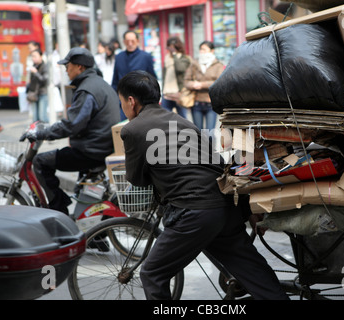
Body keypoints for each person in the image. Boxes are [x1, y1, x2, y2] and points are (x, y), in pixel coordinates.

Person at [117, 70, 289, 300]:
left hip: (193, 211)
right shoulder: (183, 122)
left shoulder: (133, 129)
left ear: (131, 101)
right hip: (225, 205)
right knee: (250, 269)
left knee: (151, 274)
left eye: (122, 103)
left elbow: (137, 179)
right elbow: (215, 163)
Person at [21, 47, 120, 214]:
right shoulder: (100, 84)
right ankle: (94, 233)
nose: (66, 69)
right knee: (83, 195)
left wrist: (42, 133)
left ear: (80, 67)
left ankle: (59, 210)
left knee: (40, 162)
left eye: (68, 65)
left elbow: (72, 125)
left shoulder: (87, 90)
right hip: (100, 146)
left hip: (91, 151)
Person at [111, 30, 157, 120]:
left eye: (133, 41)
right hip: (123, 102)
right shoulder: (119, 57)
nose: (130, 43)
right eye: (127, 41)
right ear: (124, 42)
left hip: (142, 101)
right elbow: (115, 80)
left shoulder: (146, 56)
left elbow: (153, 79)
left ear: (137, 41)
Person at [184, 41, 223, 131]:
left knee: (210, 133)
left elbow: (219, 82)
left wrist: (202, 85)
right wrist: (192, 84)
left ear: (212, 51)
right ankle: (201, 146)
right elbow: (186, 81)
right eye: (200, 49)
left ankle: (210, 145)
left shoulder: (218, 65)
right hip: (196, 103)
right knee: (198, 132)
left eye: (204, 49)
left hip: (211, 103)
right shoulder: (194, 64)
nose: (202, 51)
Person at [161, 37, 191, 119]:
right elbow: (165, 76)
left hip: (179, 93)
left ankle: (184, 132)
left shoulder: (184, 58)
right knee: (166, 118)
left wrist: (174, 54)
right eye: (169, 47)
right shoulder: (167, 58)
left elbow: (180, 68)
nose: (170, 50)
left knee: (182, 118)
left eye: (172, 47)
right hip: (167, 93)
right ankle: (171, 132)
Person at [27, 49, 49, 123]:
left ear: (41, 56)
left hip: (42, 93)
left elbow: (44, 80)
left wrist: (36, 72)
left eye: (35, 56)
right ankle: (37, 133)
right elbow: (31, 82)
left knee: (43, 117)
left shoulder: (45, 66)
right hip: (34, 94)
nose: (33, 58)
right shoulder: (34, 66)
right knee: (35, 119)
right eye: (32, 57)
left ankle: (47, 131)